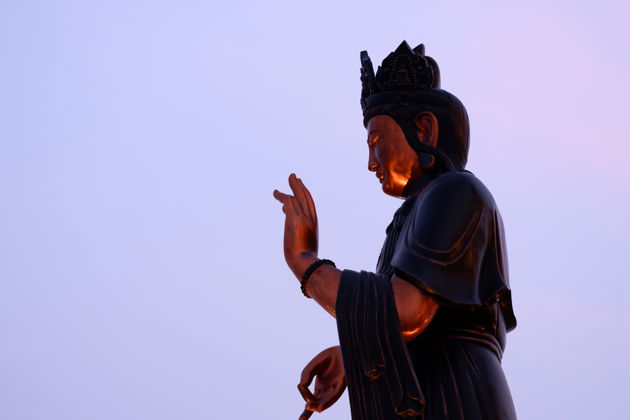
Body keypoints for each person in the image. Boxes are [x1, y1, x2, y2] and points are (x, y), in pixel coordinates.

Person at [273, 41, 517, 420]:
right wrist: (352, 357)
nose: (371, 163)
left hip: (453, 392)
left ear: (424, 129)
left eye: (376, 143)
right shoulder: (415, 210)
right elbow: (413, 322)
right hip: (427, 383)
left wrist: (305, 262)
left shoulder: (456, 191)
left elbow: (407, 311)